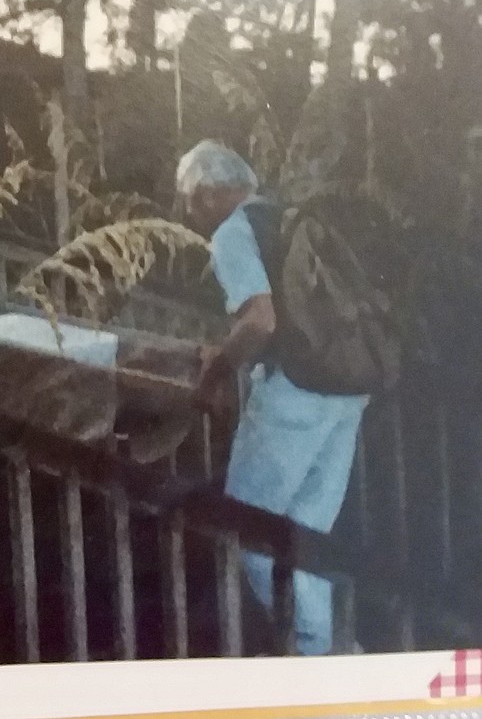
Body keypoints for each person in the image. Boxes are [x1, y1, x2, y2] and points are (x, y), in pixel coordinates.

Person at [175, 140, 367, 656]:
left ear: (212, 192)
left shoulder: (234, 232)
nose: (190, 216)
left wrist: (217, 369)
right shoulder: (284, 212)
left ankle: (318, 656)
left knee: (248, 527)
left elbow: (260, 319)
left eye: (189, 201)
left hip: (296, 393)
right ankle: (336, 655)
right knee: (306, 534)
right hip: (347, 389)